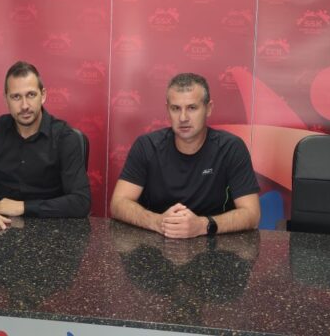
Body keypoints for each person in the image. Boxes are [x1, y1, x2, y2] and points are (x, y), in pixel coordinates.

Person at [110, 72, 260, 238]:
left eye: (192, 108)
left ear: (208, 108)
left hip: (214, 243)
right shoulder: (147, 146)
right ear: (167, 109)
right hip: (156, 241)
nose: (183, 118)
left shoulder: (231, 148)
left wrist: (202, 225)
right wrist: (157, 222)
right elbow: (118, 203)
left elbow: (252, 214)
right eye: (176, 108)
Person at [0, 61, 90, 231]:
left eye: (31, 95)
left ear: (43, 95)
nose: (24, 106)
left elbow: (81, 202)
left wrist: (23, 207)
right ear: (6, 100)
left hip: (50, 231)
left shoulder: (65, 138)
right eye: (16, 97)